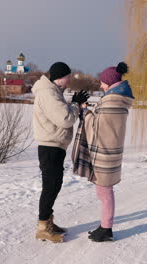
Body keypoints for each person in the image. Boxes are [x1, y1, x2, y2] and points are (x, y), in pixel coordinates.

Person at [73, 62, 134, 242]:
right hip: (110, 149)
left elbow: (97, 128)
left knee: (104, 192)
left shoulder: (111, 101)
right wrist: (89, 111)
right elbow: (102, 123)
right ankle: (104, 226)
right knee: (104, 191)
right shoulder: (118, 99)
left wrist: (84, 110)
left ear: (109, 82)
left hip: (105, 152)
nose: (100, 85)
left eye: (102, 82)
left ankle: (106, 229)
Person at [32, 62, 89, 243]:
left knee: (54, 185)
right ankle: (43, 227)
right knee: (50, 186)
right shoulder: (48, 94)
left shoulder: (53, 92)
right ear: (60, 77)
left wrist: (73, 104)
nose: (70, 79)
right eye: (68, 76)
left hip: (54, 145)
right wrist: (76, 106)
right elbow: (65, 119)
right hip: (50, 146)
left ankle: (48, 221)